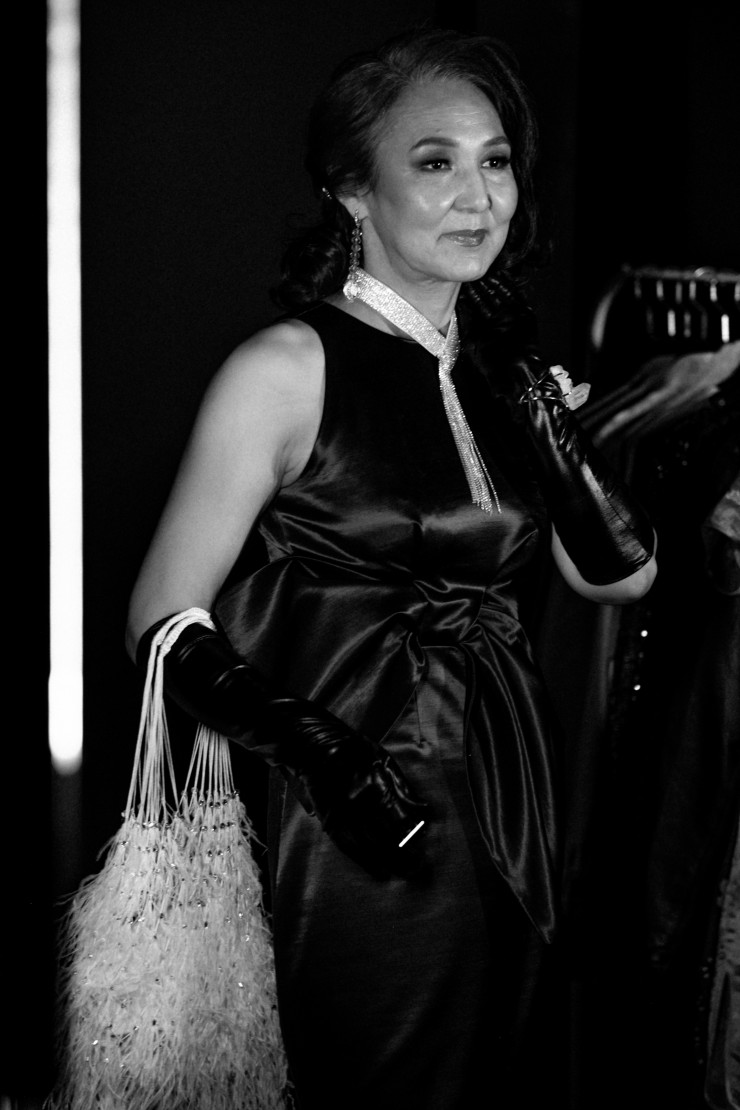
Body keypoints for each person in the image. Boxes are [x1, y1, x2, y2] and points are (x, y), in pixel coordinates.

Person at [126, 26, 657, 1109]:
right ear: (353, 192)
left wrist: (553, 439)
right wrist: (318, 754)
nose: (478, 196)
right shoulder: (285, 367)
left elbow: (620, 579)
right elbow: (159, 616)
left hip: (509, 785)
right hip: (351, 804)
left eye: (495, 161)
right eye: (434, 162)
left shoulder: (501, 375)